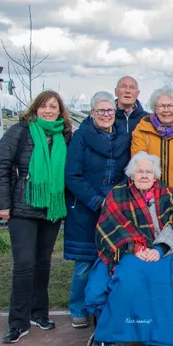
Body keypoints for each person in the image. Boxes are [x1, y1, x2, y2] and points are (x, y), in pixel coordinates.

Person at [93, 152, 173, 346]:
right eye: (140, 171)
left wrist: (159, 249)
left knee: (160, 278)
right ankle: (118, 336)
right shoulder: (118, 194)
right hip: (128, 252)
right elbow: (111, 226)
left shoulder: (167, 193)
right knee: (127, 278)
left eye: (149, 171)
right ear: (132, 174)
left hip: (161, 252)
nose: (145, 175)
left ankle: (154, 338)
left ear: (155, 175)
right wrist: (135, 248)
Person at [0, 90, 73, 344]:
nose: (48, 111)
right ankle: (18, 322)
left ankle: (39, 313)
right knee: (24, 264)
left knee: (43, 263)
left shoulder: (65, 136)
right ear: (35, 108)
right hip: (23, 207)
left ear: (61, 111)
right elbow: (1, 166)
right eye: (44, 106)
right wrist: (2, 204)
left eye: (53, 106)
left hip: (52, 209)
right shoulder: (20, 131)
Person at [63, 91, 131, 328]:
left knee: (114, 258)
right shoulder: (81, 138)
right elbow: (72, 175)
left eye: (109, 111)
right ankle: (79, 308)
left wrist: (118, 199)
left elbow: (127, 172)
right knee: (84, 260)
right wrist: (96, 200)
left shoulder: (123, 138)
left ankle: (105, 305)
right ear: (92, 113)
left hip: (115, 207)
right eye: (100, 111)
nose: (106, 115)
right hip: (85, 207)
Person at [131, 89, 173, 234]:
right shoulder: (142, 130)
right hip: (148, 195)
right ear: (155, 108)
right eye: (161, 106)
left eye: (170, 106)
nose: (166, 110)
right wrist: (154, 192)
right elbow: (140, 162)